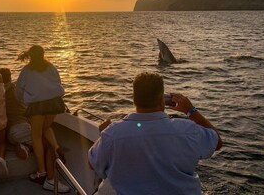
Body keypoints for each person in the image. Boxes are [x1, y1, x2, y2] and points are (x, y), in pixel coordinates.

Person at [88, 72, 223, 195]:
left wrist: (103, 134)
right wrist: (191, 111)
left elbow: (92, 163)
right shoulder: (188, 130)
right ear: (162, 100)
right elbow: (217, 143)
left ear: (134, 99)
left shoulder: (112, 134)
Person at [0, 67, 70, 193]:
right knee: (48, 145)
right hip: (22, 127)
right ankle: (50, 181)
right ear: (10, 77)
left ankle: (25, 146)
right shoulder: (19, 91)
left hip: (10, 133)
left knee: (36, 140)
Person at [16, 45, 67, 185]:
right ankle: (56, 147)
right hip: (55, 103)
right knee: (46, 127)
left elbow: (19, 89)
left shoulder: (26, 70)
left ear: (31, 55)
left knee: (36, 136)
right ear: (43, 54)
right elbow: (58, 83)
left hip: (37, 106)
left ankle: (41, 171)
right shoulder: (51, 67)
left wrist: (22, 100)